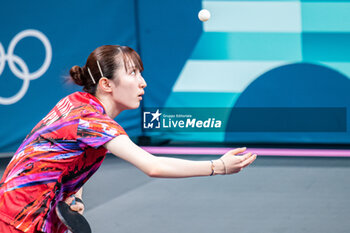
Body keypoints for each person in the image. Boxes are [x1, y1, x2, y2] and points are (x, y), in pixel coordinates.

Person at [0, 45, 257, 233]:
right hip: (20, 220)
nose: (143, 83)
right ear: (106, 84)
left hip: (17, 209)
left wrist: (75, 196)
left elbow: (63, 156)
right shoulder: (93, 122)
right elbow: (152, 166)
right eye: (133, 73)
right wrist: (218, 167)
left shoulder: (74, 102)